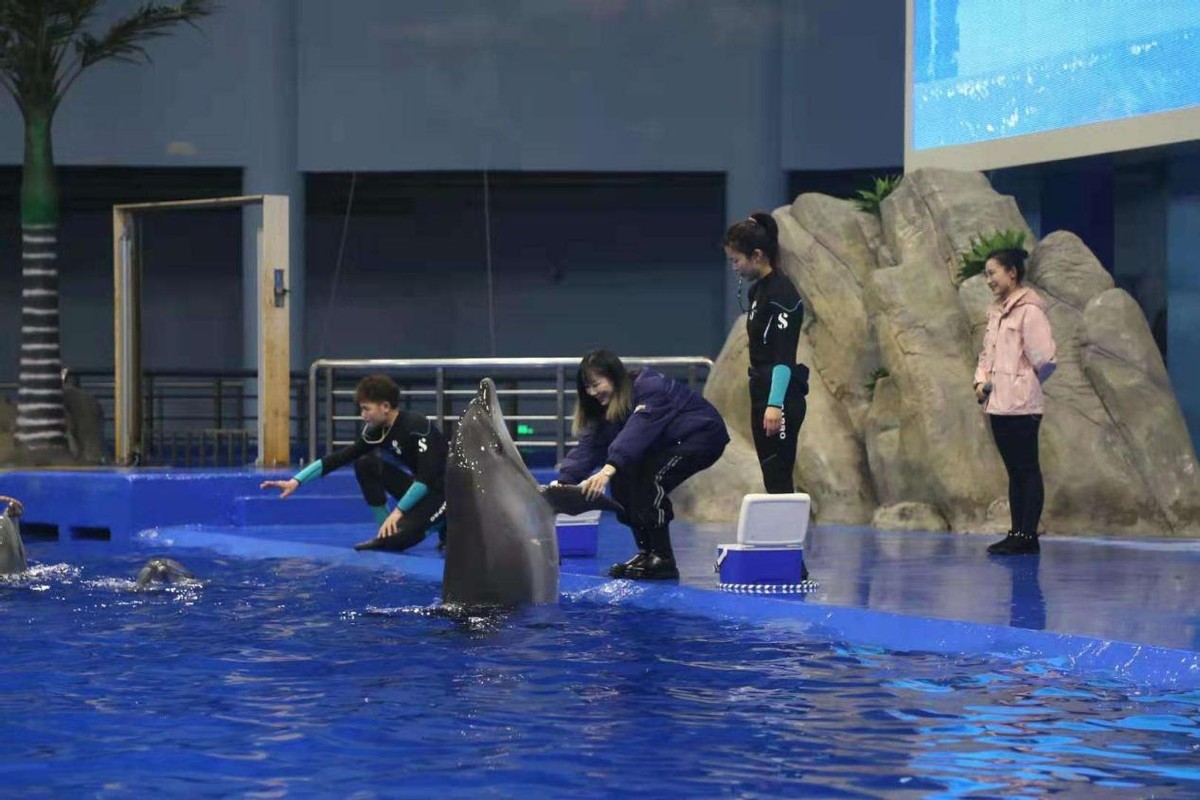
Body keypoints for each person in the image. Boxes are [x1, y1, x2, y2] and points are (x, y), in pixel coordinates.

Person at [556, 349, 730, 580]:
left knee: (651, 479)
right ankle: (646, 553)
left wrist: (607, 470)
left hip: (700, 437)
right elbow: (590, 445)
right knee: (623, 480)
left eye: (596, 384)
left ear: (614, 376)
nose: (592, 392)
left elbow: (637, 432)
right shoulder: (604, 406)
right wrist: (562, 482)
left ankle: (663, 558)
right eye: (587, 387)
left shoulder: (651, 389)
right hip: (666, 443)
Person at [260, 374, 449, 553]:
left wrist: (398, 512)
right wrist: (296, 481)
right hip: (425, 490)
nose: (362, 414)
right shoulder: (378, 432)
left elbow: (427, 477)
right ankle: (385, 532)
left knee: (398, 542)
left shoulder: (416, 425)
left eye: (366, 408)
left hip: (449, 494)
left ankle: (445, 522)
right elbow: (341, 457)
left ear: (385, 406)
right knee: (365, 463)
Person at [974, 248, 1057, 555]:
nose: (989, 280)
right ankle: (1016, 531)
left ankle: (1028, 535)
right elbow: (987, 354)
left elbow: (1046, 358)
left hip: (1022, 405)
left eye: (992, 272)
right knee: (1014, 471)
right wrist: (981, 382)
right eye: (986, 274)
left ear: (1012, 272)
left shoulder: (1030, 311)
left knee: (1027, 468)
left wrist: (1022, 384)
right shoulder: (996, 312)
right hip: (997, 404)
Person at [723, 211, 810, 493]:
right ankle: (781, 536)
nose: (734, 267)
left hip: (780, 398)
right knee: (771, 475)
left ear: (757, 256)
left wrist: (775, 405)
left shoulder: (783, 295)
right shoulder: (757, 292)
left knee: (779, 475)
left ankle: (789, 537)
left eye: (737, 260)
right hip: (760, 391)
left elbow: (783, 358)